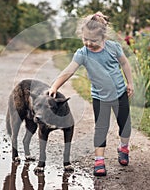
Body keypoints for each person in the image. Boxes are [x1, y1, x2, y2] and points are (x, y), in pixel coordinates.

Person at [48, 12, 134, 176]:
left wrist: (130, 82)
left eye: (93, 40)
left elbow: (125, 63)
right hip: (99, 97)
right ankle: (99, 161)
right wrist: (54, 86)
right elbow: (69, 71)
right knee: (101, 127)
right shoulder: (83, 53)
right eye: (85, 39)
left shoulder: (113, 48)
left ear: (103, 36)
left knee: (125, 125)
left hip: (119, 94)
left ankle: (123, 147)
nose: (88, 43)